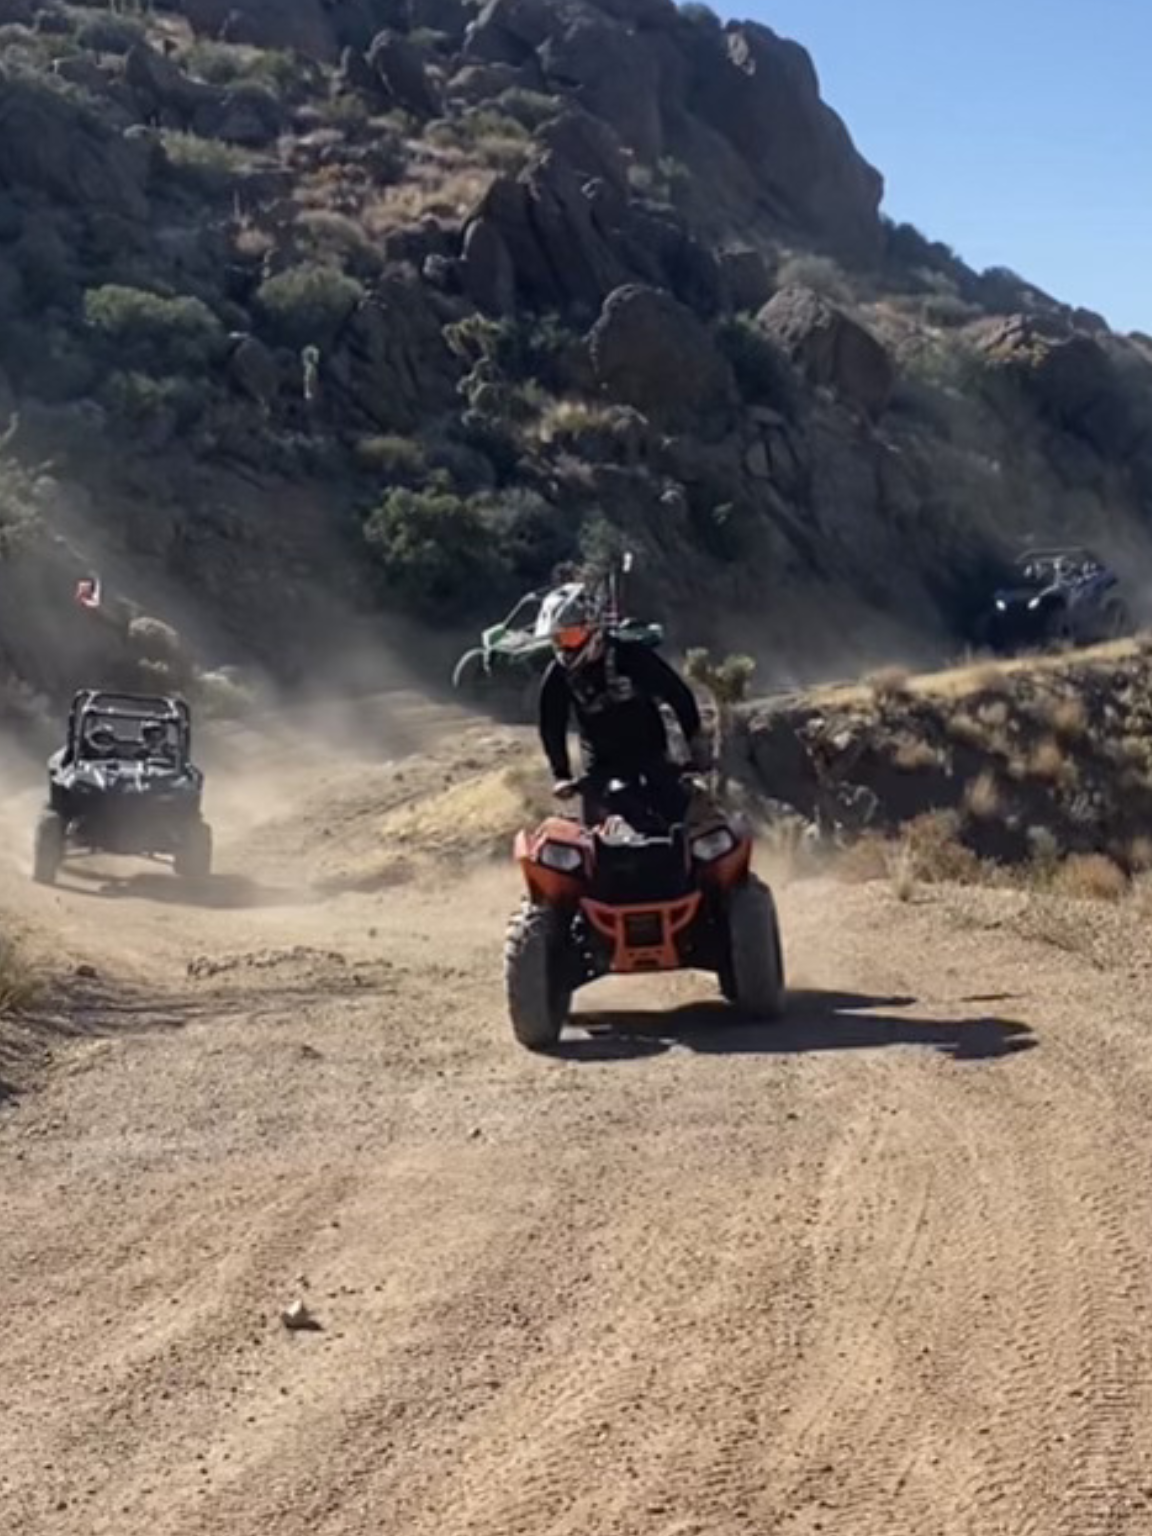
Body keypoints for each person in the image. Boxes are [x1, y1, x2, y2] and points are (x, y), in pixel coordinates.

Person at [538, 587, 711, 828]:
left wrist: (694, 753)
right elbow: (551, 725)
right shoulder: (558, 676)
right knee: (594, 839)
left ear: (593, 627)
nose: (564, 647)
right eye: (558, 639)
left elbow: (677, 694)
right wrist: (562, 775)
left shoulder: (631, 656)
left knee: (685, 828)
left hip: (652, 756)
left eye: (571, 637)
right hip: (600, 767)